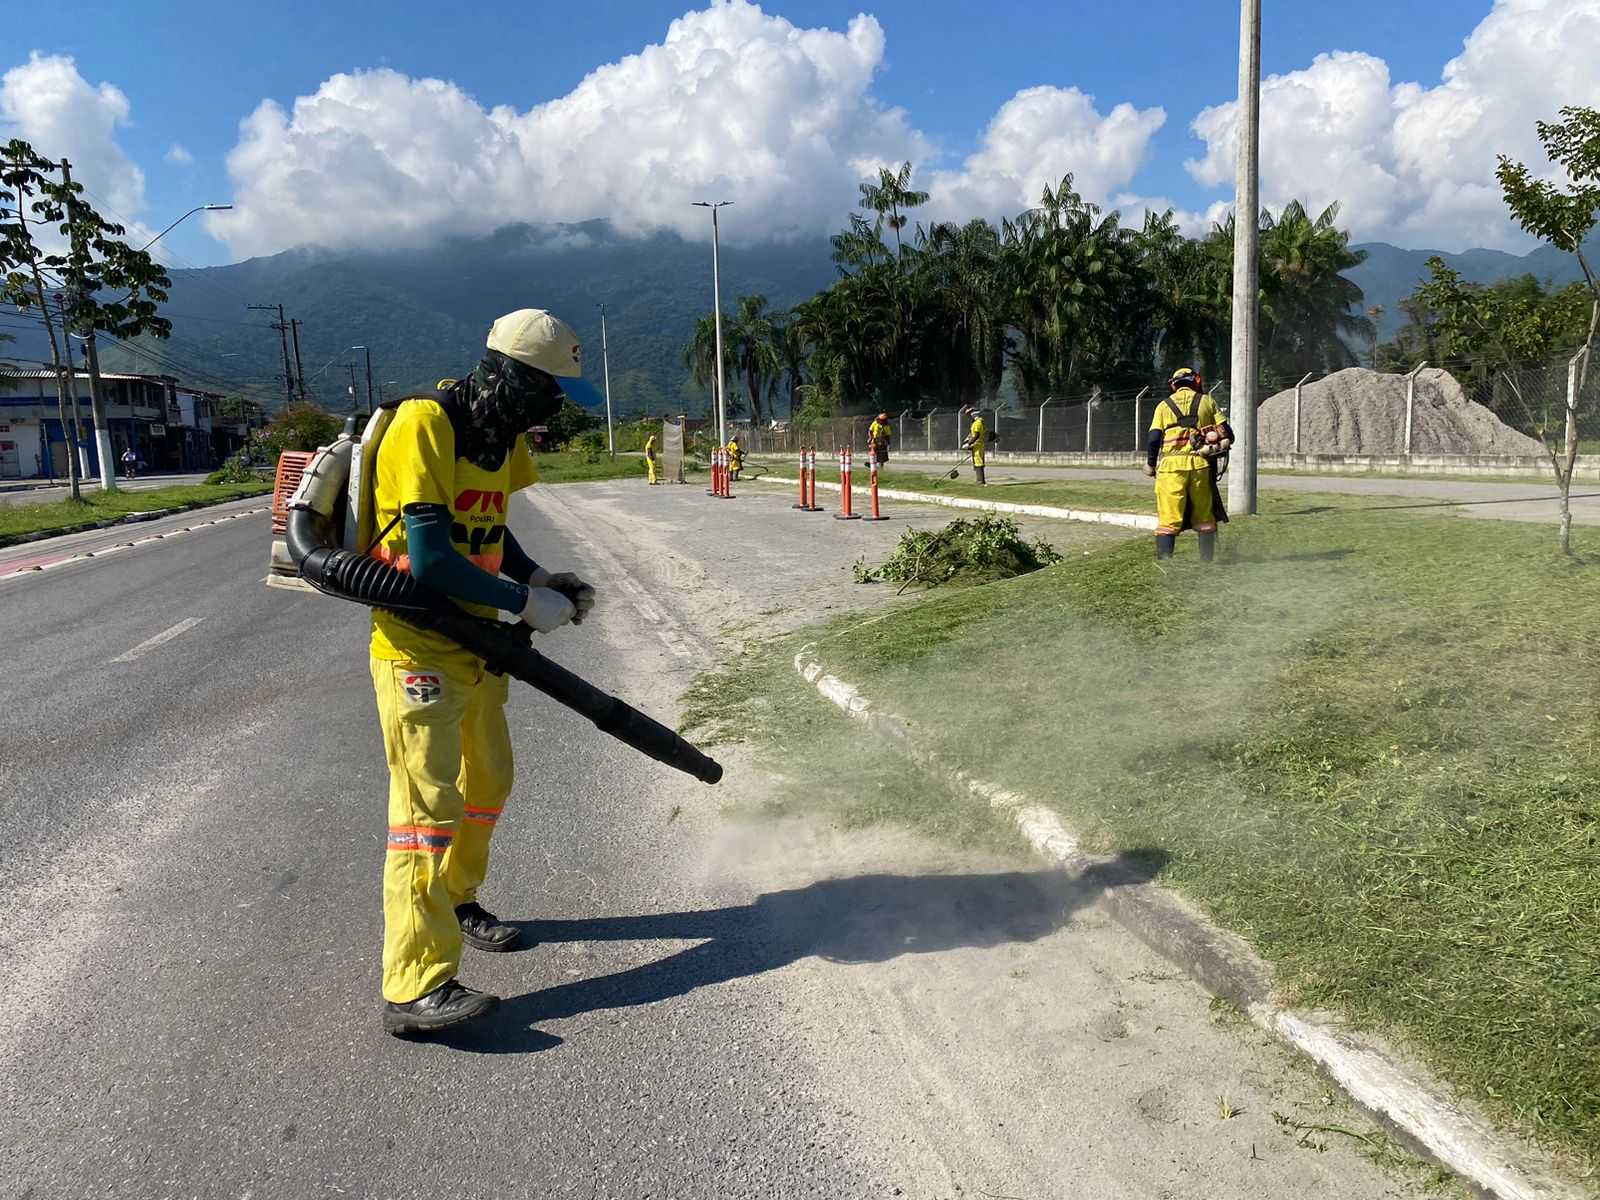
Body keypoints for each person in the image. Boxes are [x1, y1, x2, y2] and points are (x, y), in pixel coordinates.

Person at [369, 308, 601, 1037]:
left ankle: (459, 896)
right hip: (417, 646)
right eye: (545, 391)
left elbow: (489, 527)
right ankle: (413, 984)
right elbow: (433, 557)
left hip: (477, 644)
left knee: (490, 781)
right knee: (424, 815)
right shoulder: (425, 424)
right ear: (509, 375)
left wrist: (543, 581)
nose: (551, 408)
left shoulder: (499, 437)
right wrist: (523, 601)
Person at [1144, 367, 1233, 562]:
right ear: (1196, 382)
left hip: (1170, 468)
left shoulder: (1163, 406)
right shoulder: (1207, 401)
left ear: (1174, 385)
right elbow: (1228, 433)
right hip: (1200, 465)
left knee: (1169, 518)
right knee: (1204, 516)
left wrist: (1150, 464)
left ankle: (1166, 563)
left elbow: (1153, 439)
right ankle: (1206, 562)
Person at [961, 406, 989, 486]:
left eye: (969, 414)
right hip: (977, 444)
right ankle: (979, 480)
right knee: (977, 462)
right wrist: (967, 441)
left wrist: (968, 444)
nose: (968, 416)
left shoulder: (977, 423)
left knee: (978, 462)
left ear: (973, 414)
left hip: (977, 445)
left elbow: (976, 435)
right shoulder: (977, 422)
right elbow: (972, 434)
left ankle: (981, 482)